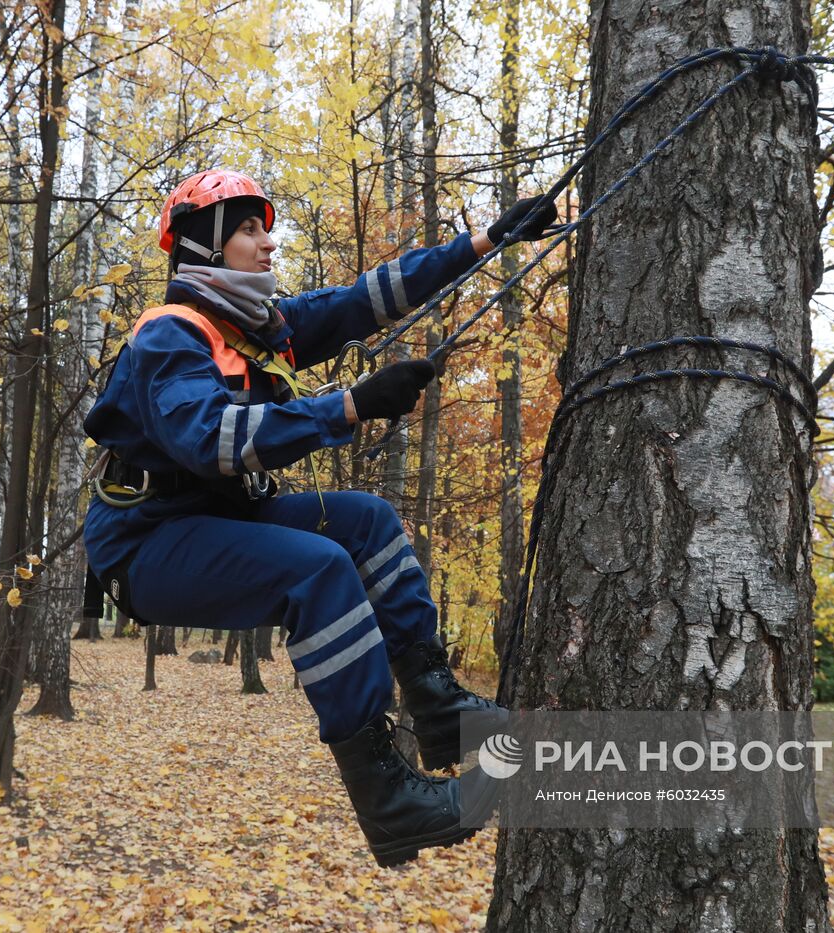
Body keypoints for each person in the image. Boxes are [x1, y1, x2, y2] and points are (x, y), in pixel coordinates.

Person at [83, 168, 555, 867]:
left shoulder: (255, 328)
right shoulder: (171, 335)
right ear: (203, 247)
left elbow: (361, 300)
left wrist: (485, 241)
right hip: (146, 544)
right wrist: (349, 406)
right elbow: (210, 439)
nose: (267, 242)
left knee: (365, 521)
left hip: (214, 521)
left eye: (265, 228)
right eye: (248, 230)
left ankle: (440, 709)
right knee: (320, 569)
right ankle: (389, 801)